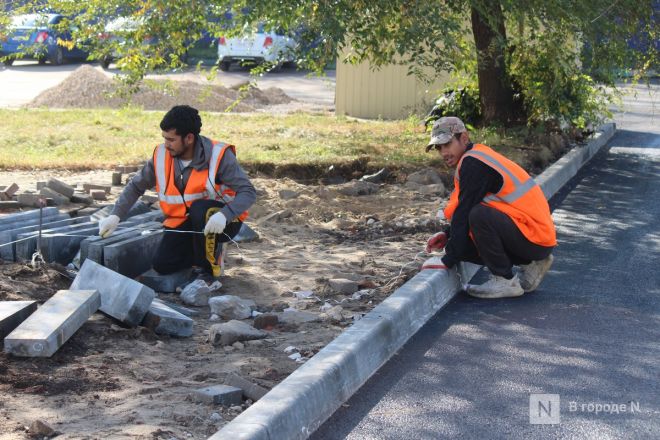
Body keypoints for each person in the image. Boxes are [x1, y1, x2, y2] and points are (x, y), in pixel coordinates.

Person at [98, 105, 256, 278]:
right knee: (163, 264)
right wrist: (115, 215)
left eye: (171, 139)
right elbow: (136, 186)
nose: (166, 144)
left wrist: (225, 215)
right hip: (184, 221)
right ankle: (199, 253)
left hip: (221, 220)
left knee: (200, 209)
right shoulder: (161, 155)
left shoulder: (219, 156)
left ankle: (209, 264)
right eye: (164, 138)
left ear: (189, 138)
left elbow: (248, 192)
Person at [424, 116, 556, 298]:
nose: (443, 152)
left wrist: (447, 259)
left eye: (447, 144)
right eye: (439, 148)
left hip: (534, 236)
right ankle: (531, 263)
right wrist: (447, 236)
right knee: (466, 236)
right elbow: (468, 208)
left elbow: (465, 212)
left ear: (464, 138)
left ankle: (505, 281)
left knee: (478, 216)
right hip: (535, 236)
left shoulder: (474, 164)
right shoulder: (476, 156)